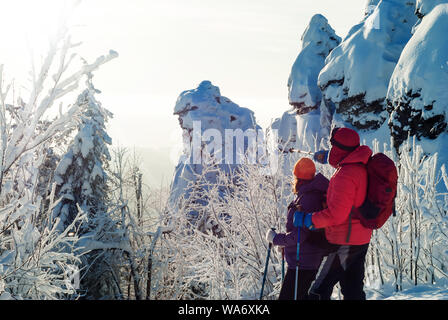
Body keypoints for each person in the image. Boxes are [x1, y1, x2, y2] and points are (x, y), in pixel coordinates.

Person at [294, 127, 373, 300]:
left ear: (340, 148)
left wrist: (308, 219)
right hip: (361, 238)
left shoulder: (345, 175)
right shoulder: (360, 165)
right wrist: (329, 157)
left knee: (318, 291)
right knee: (353, 291)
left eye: (333, 146)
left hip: (344, 241)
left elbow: (336, 215)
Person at [266, 157, 330, 300]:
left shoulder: (307, 199)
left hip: (302, 263)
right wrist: (286, 246)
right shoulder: (311, 195)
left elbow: (301, 235)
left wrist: (276, 239)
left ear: (298, 178)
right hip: (306, 259)